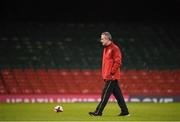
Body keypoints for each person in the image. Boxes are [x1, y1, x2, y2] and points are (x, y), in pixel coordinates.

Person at [89, 32, 129, 116]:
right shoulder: (105, 49)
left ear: (107, 39)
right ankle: (125, 112)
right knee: (119, 96)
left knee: (104, 95)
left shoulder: (114, 48)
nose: (101, 40)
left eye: (102, 38)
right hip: (108, 76)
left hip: (111, 77)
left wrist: (111, 73)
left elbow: (118, 62)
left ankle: (98, 112)